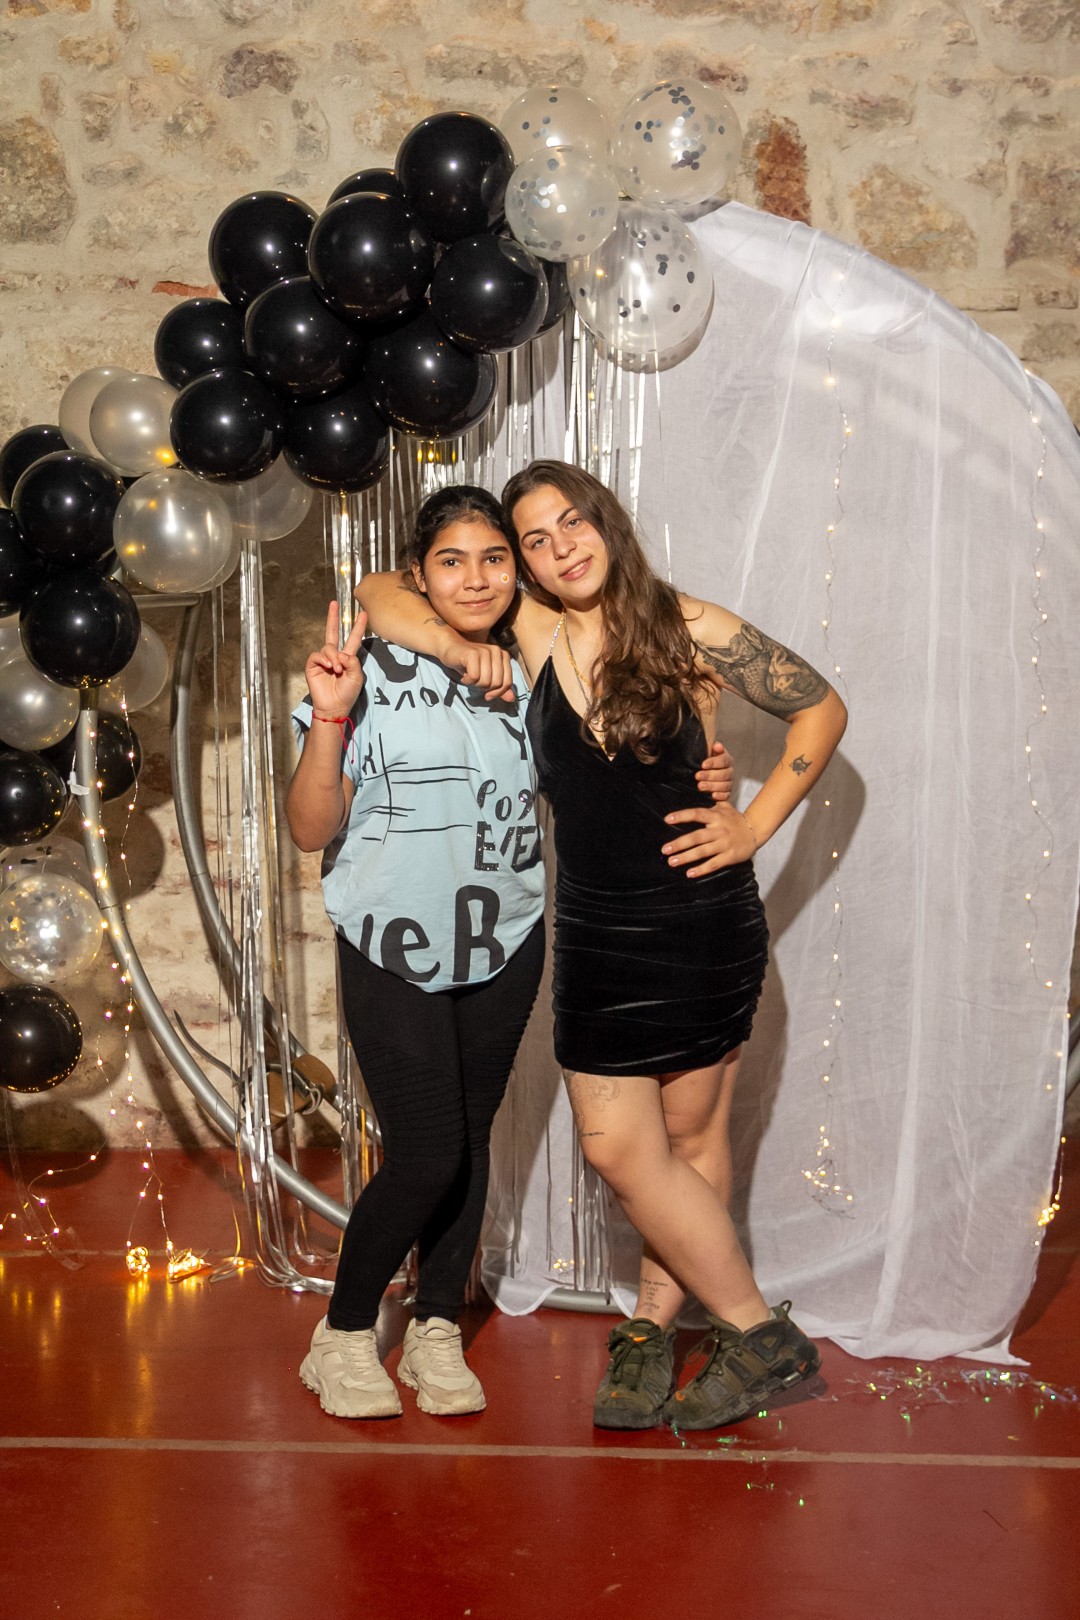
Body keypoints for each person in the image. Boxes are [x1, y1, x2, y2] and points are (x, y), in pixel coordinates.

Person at [357, 459, 848, 1432]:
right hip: (593, 929)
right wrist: (454, 649)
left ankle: (654, 1330)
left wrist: (753, 824)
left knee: (690, 1142)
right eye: (535, 540)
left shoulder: (688, 625)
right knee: (620, 1147)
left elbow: (821, 706)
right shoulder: (530, 632)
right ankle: (761, 1334)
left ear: (607, 521)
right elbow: (378, 592)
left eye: (572, 523)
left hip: (702, 923)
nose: (560, 549)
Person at [288, 483, 733, 1423]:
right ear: (419, 576)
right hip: (390, 937)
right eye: (451, 561)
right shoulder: (366, 665)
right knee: (425, 1152)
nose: (477, 577)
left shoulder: (536, 667)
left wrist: (708, 776)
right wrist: (329, 718)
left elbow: (607, 766)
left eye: (496, 558)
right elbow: (309, 828)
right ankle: (344, 1333)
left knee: (470, 1139)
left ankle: (436, 1326)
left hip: (505, 937)